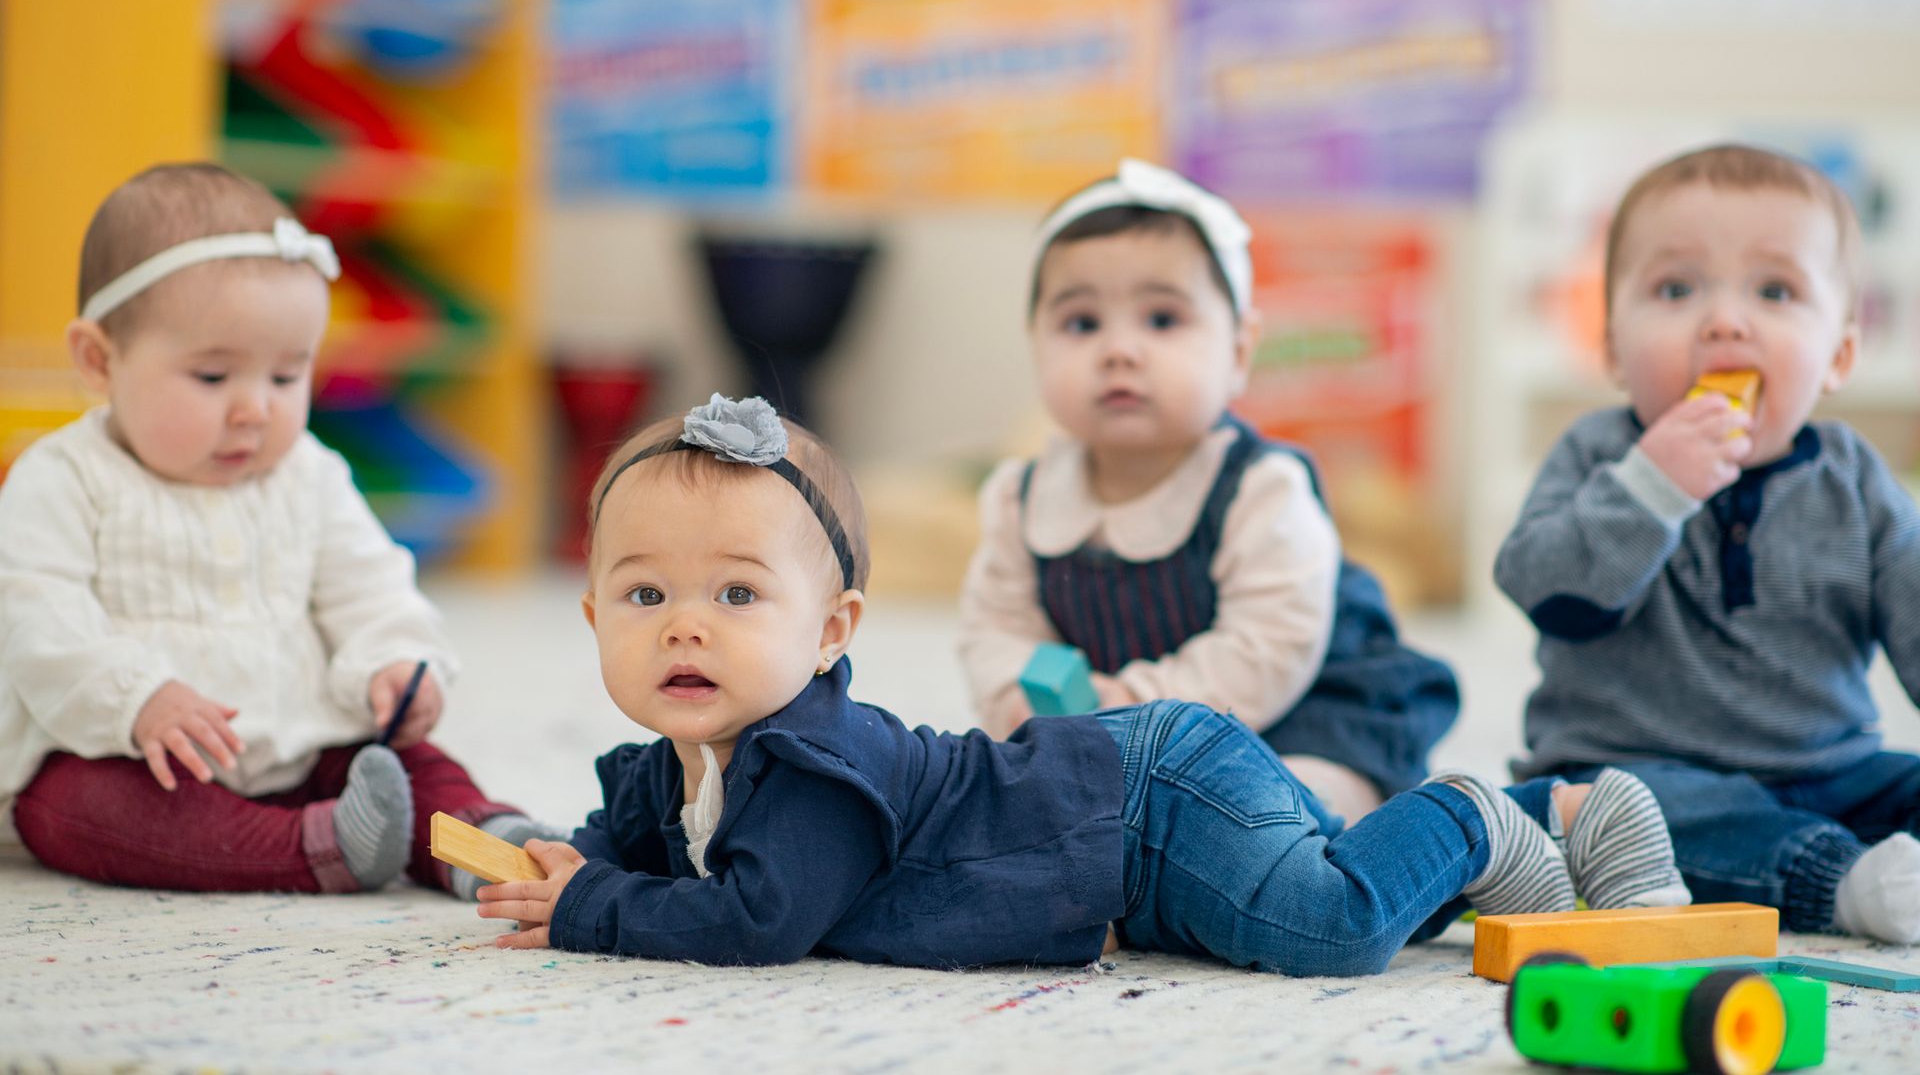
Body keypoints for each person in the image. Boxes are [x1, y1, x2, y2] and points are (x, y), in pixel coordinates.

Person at [472, 395, 1685, 971]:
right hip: (1120, 845)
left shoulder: (806, 763)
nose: (686, 628)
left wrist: (589, 911)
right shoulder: (675, 765)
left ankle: (1478, 815)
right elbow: (623, 840)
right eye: (644, 599)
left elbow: (760, 920)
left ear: (833, 632)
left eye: (738, 597)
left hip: (1146, 802)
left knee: (1327, 931)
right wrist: (543, 862)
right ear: (590, 617)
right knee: (1313, 888)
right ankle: (1564, 831)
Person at [0, 162, 549, 897]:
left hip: (305, 741)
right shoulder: (62, 476)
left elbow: (370, 586)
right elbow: (36, 619)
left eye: (287, 377)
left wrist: (395, 661)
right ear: (100, 361)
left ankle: (481, 841)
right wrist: (137, 699)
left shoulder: (309, 474)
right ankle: (309, 848)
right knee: (84, 810)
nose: (255, 409)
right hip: (130, 756)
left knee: (412, 765)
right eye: (213, 377)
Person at [1498, 143, 1920, 943]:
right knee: (1639, 819)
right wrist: (1654, 486)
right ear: (1614, 349)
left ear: (1838, 354)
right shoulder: (1599, 455)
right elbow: (1544, 589)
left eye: (1774, 289)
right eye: (1676, 288)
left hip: (1831, 773)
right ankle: (1836, 884)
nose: (1725, 319)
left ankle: (1862, 863)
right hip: (1639, 775)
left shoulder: (1855, 480)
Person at [957, 158, 1454, 821]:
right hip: (1116, 732)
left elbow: (1267, 649)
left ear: (1240, 352)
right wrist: (1015, 693)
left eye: (1162, 320)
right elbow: (997, 626)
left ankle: (1386, 833)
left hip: (1301, 707)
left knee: (1301, 803)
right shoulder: (1022, 498)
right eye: (1081, 324)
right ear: (1037, 346)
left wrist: (1131, 704)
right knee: (1003, 797)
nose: (1120, 350)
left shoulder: (1260, 489)